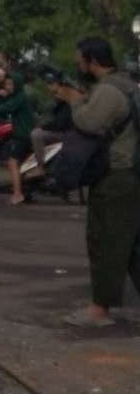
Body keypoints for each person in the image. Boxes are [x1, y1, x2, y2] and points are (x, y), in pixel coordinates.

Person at [50, 37, 140, 327]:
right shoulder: (123, 85)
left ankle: (100, 309)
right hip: (126, 175)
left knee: (106, 241)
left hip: (116, 175)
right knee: (131, 244)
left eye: (81, 60)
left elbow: (90, 123)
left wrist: (74, 101)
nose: (78, 65)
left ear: (93, 61)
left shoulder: (110, 91)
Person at [0, 71, 36, 204]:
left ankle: (17, 194)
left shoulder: (19, 98)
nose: (8, 86)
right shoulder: (17, 96)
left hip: (24, 135)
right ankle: (24, 190)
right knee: (20, 162)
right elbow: (2, 105)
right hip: (23, 133)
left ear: (17, 84)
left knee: (12, 162)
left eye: (11, 84)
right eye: (7, 84)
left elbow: (5, 108)